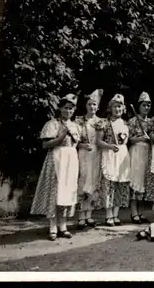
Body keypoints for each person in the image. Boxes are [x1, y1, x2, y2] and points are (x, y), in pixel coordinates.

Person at [31, 94, 81, 240]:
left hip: (71, 159)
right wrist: (61, 136)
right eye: (66, 108)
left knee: (67, 191)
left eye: (71, 109)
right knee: (55, 191)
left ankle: (63, 226)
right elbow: (45, 145)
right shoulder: (52, 124)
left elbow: (76, 144)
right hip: (56, 158)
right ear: (60, 108)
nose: (68, 111)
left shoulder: (76, 125)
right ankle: (52, 227)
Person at [95, 94, 131, 226]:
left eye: (120, 106)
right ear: (110, 108)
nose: (118, 109)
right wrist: (109, 146)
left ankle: (116, 215)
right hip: (110, 154)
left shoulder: (126, 124)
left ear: (123, 108)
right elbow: (98, 141)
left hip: (122, 155)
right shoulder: (104, 123)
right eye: (115, 106)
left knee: (120, 184)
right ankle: (108, 215)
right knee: (109, 185)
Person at [75, 89, 103, 229]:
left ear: (98, 107)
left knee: (93, 180)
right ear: (86, 106)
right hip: (83, 153)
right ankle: (81, 215)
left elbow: (102, 140)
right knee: (83, 180)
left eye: (94, 105)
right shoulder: (79, 120)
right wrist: (81, 144)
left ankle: (89, 215)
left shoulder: (100, 122)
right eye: (90, 104)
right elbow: (74, 140)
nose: (92, 107)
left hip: (96, 153)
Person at [127, 91, 152, 224]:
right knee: (135, 180)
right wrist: (140, 138)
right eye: (144, 105)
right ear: (139, 106)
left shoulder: (152, 121)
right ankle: (133, 212)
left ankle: (140, 211)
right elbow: (128, 139)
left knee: (144, 181)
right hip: (136, 151)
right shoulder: (132, 121)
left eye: (148, 105)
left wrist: (150, 139)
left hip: (147, 152)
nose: (146, 108)